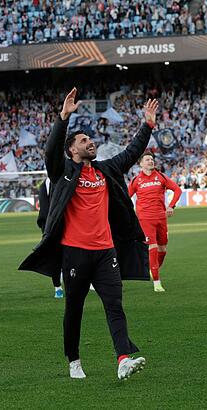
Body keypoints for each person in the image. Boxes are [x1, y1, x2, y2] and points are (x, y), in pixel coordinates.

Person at [20, 88, 156, 381]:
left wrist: (147, 125)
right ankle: (74, 360)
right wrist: (63, 118)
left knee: (115, 305)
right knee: (74, 309)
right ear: (72, 150)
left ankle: (123, 359)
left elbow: (131, 153)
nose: (90, 142)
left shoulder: (105, 170)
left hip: (106, 252)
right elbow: (51, 151)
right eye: (83, 141)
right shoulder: (63, 172)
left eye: (90, 139)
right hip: (74, 253)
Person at [128, 152, 182, 292]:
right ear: (141, 163)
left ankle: (154, 269)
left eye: (152, 159)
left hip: (161, 217)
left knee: (162, 249)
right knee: (152, 247)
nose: (150, 161)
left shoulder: (161, 177)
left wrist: (171, 206)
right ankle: (157, 283)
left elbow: (177, 190)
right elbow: (126, 198)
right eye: (147, 159)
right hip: (145, 218)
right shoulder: (136, 180)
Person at [37, 178, 64, 298]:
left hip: (66, 223)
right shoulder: (46, 184)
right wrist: (45, 227)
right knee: (54, 256)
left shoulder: (65, 179)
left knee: (72, 253)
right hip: (50, 226)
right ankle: (57, 287)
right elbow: (44, 209)